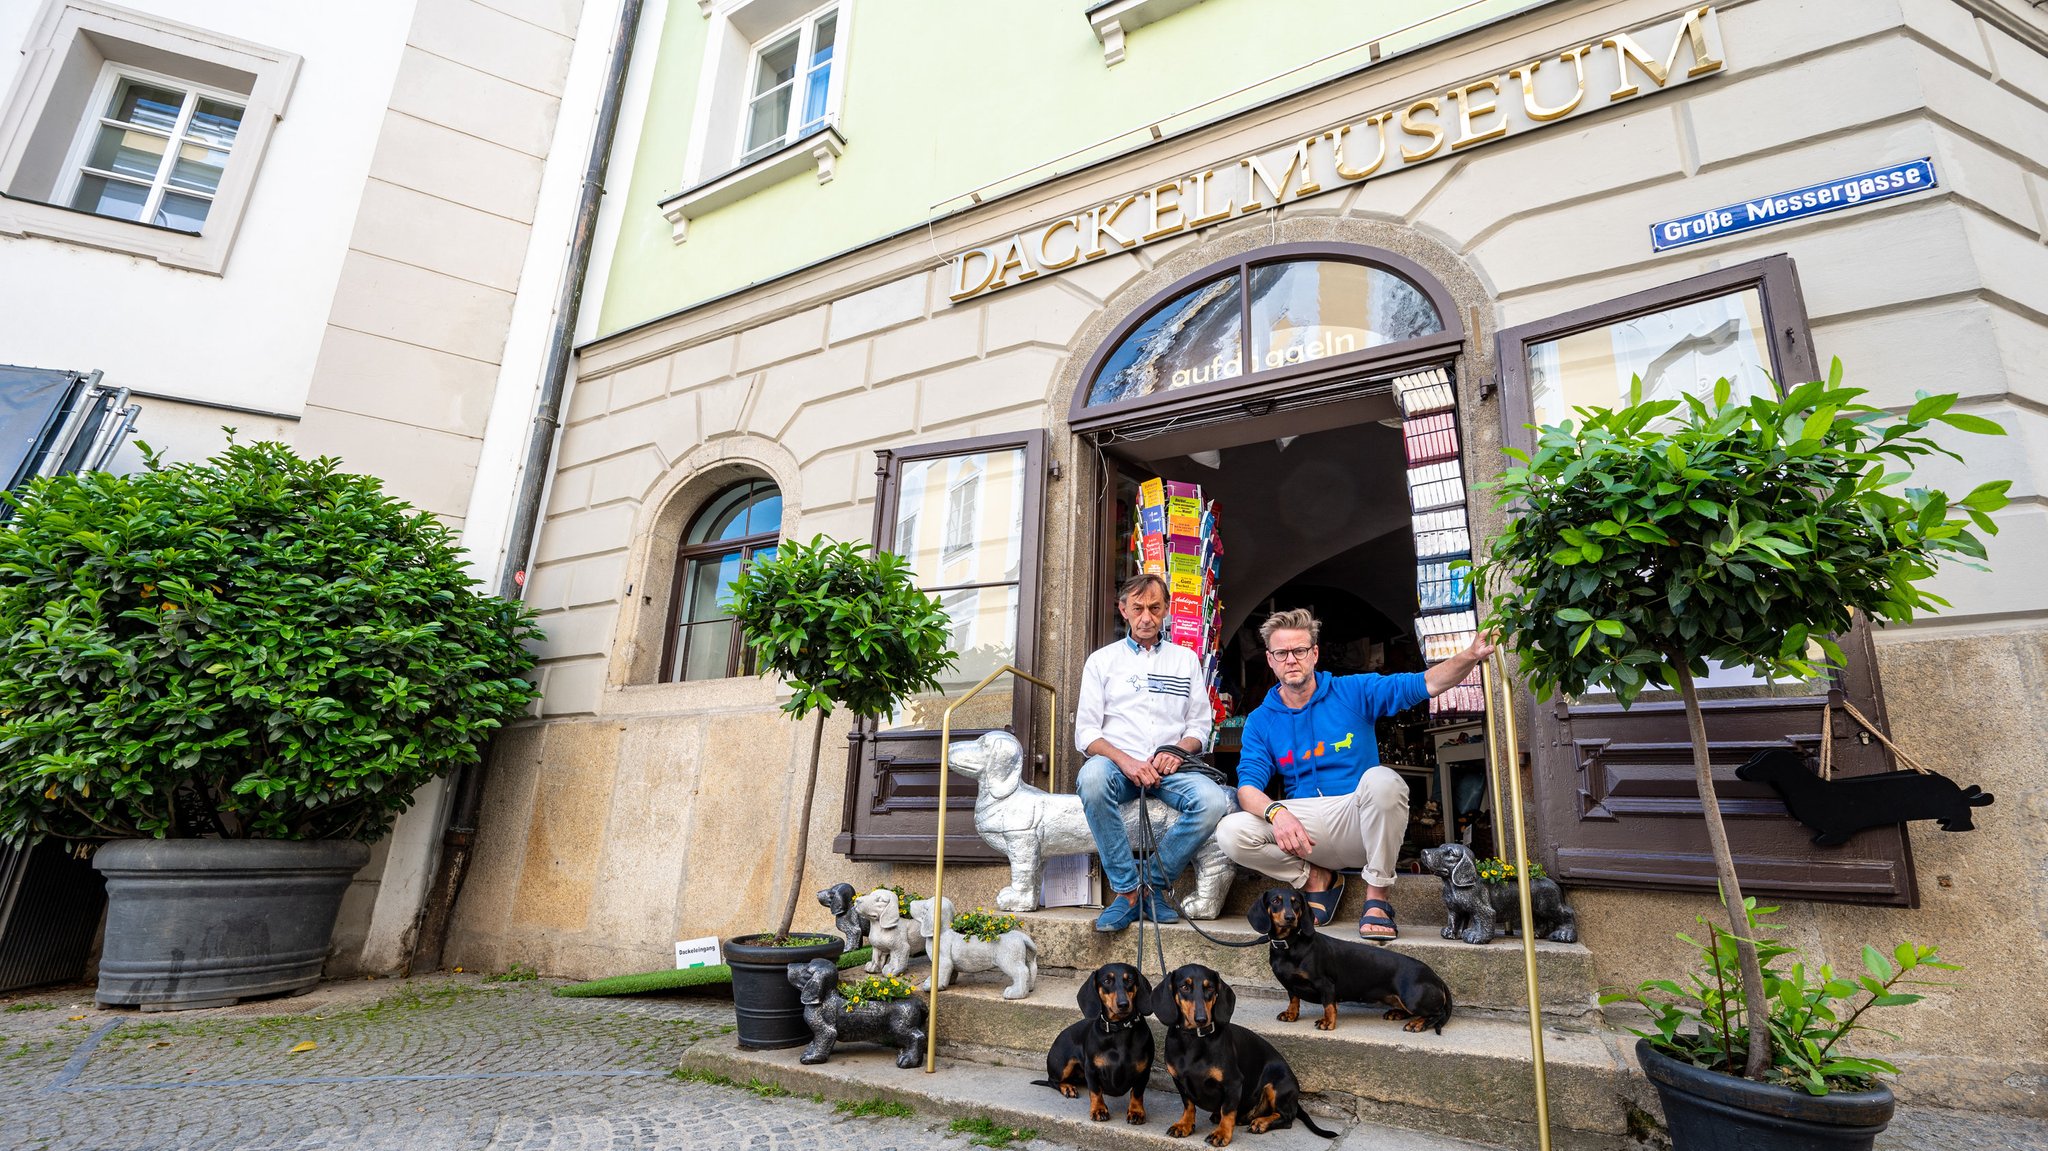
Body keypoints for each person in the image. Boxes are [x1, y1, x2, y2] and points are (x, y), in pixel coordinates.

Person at [1217, 608, 1494, 941]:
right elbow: (1247, 788)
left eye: (1300, 650)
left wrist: (1471, 655)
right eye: (1282, 653)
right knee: (1230, 831)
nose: (1291, 659)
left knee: (1384, 781)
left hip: (1356, 818)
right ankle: (1315, 879)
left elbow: (1426, 684)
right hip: (1306, 831)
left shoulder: (1352, 691)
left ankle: (1377, 899)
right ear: (1271, 659)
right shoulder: (1261, 720)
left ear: (1314, 654)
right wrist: (1277, 814)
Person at [1074, 573, 1231, 932]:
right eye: (1138, 608)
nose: (1147, 617)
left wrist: (1177, 750)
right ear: (1123, 610)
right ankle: (1128, 892)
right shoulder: (1102, 661)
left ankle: (1153, 884)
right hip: (1119, 766)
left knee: (1212, 801)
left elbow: (1199, 726)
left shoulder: (1185, 660)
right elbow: (1086, 734)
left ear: (1167, 611)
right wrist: (1126, 762)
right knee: (1092, 778)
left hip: (1172, 770)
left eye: (1155, 608)